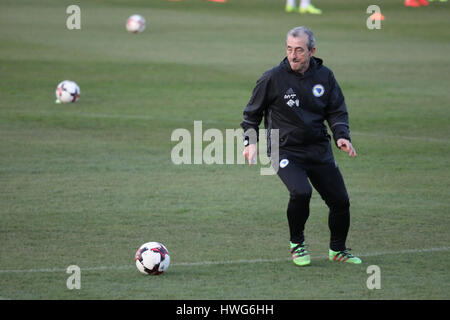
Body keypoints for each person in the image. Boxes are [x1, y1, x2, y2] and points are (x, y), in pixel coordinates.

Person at [240, 26, 361, 266]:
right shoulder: (272, 78)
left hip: (318, 148)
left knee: (340, 201)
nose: (293, 56)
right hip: (283, 149)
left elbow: (336, 110)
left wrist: (341, 135)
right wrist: (250, 142)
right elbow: (251, 115)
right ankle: (297, 244)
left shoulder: (325, 76)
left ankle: (337, 250)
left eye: (299, 50)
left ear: (312, 51)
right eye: (288, 49)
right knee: (301, 192)